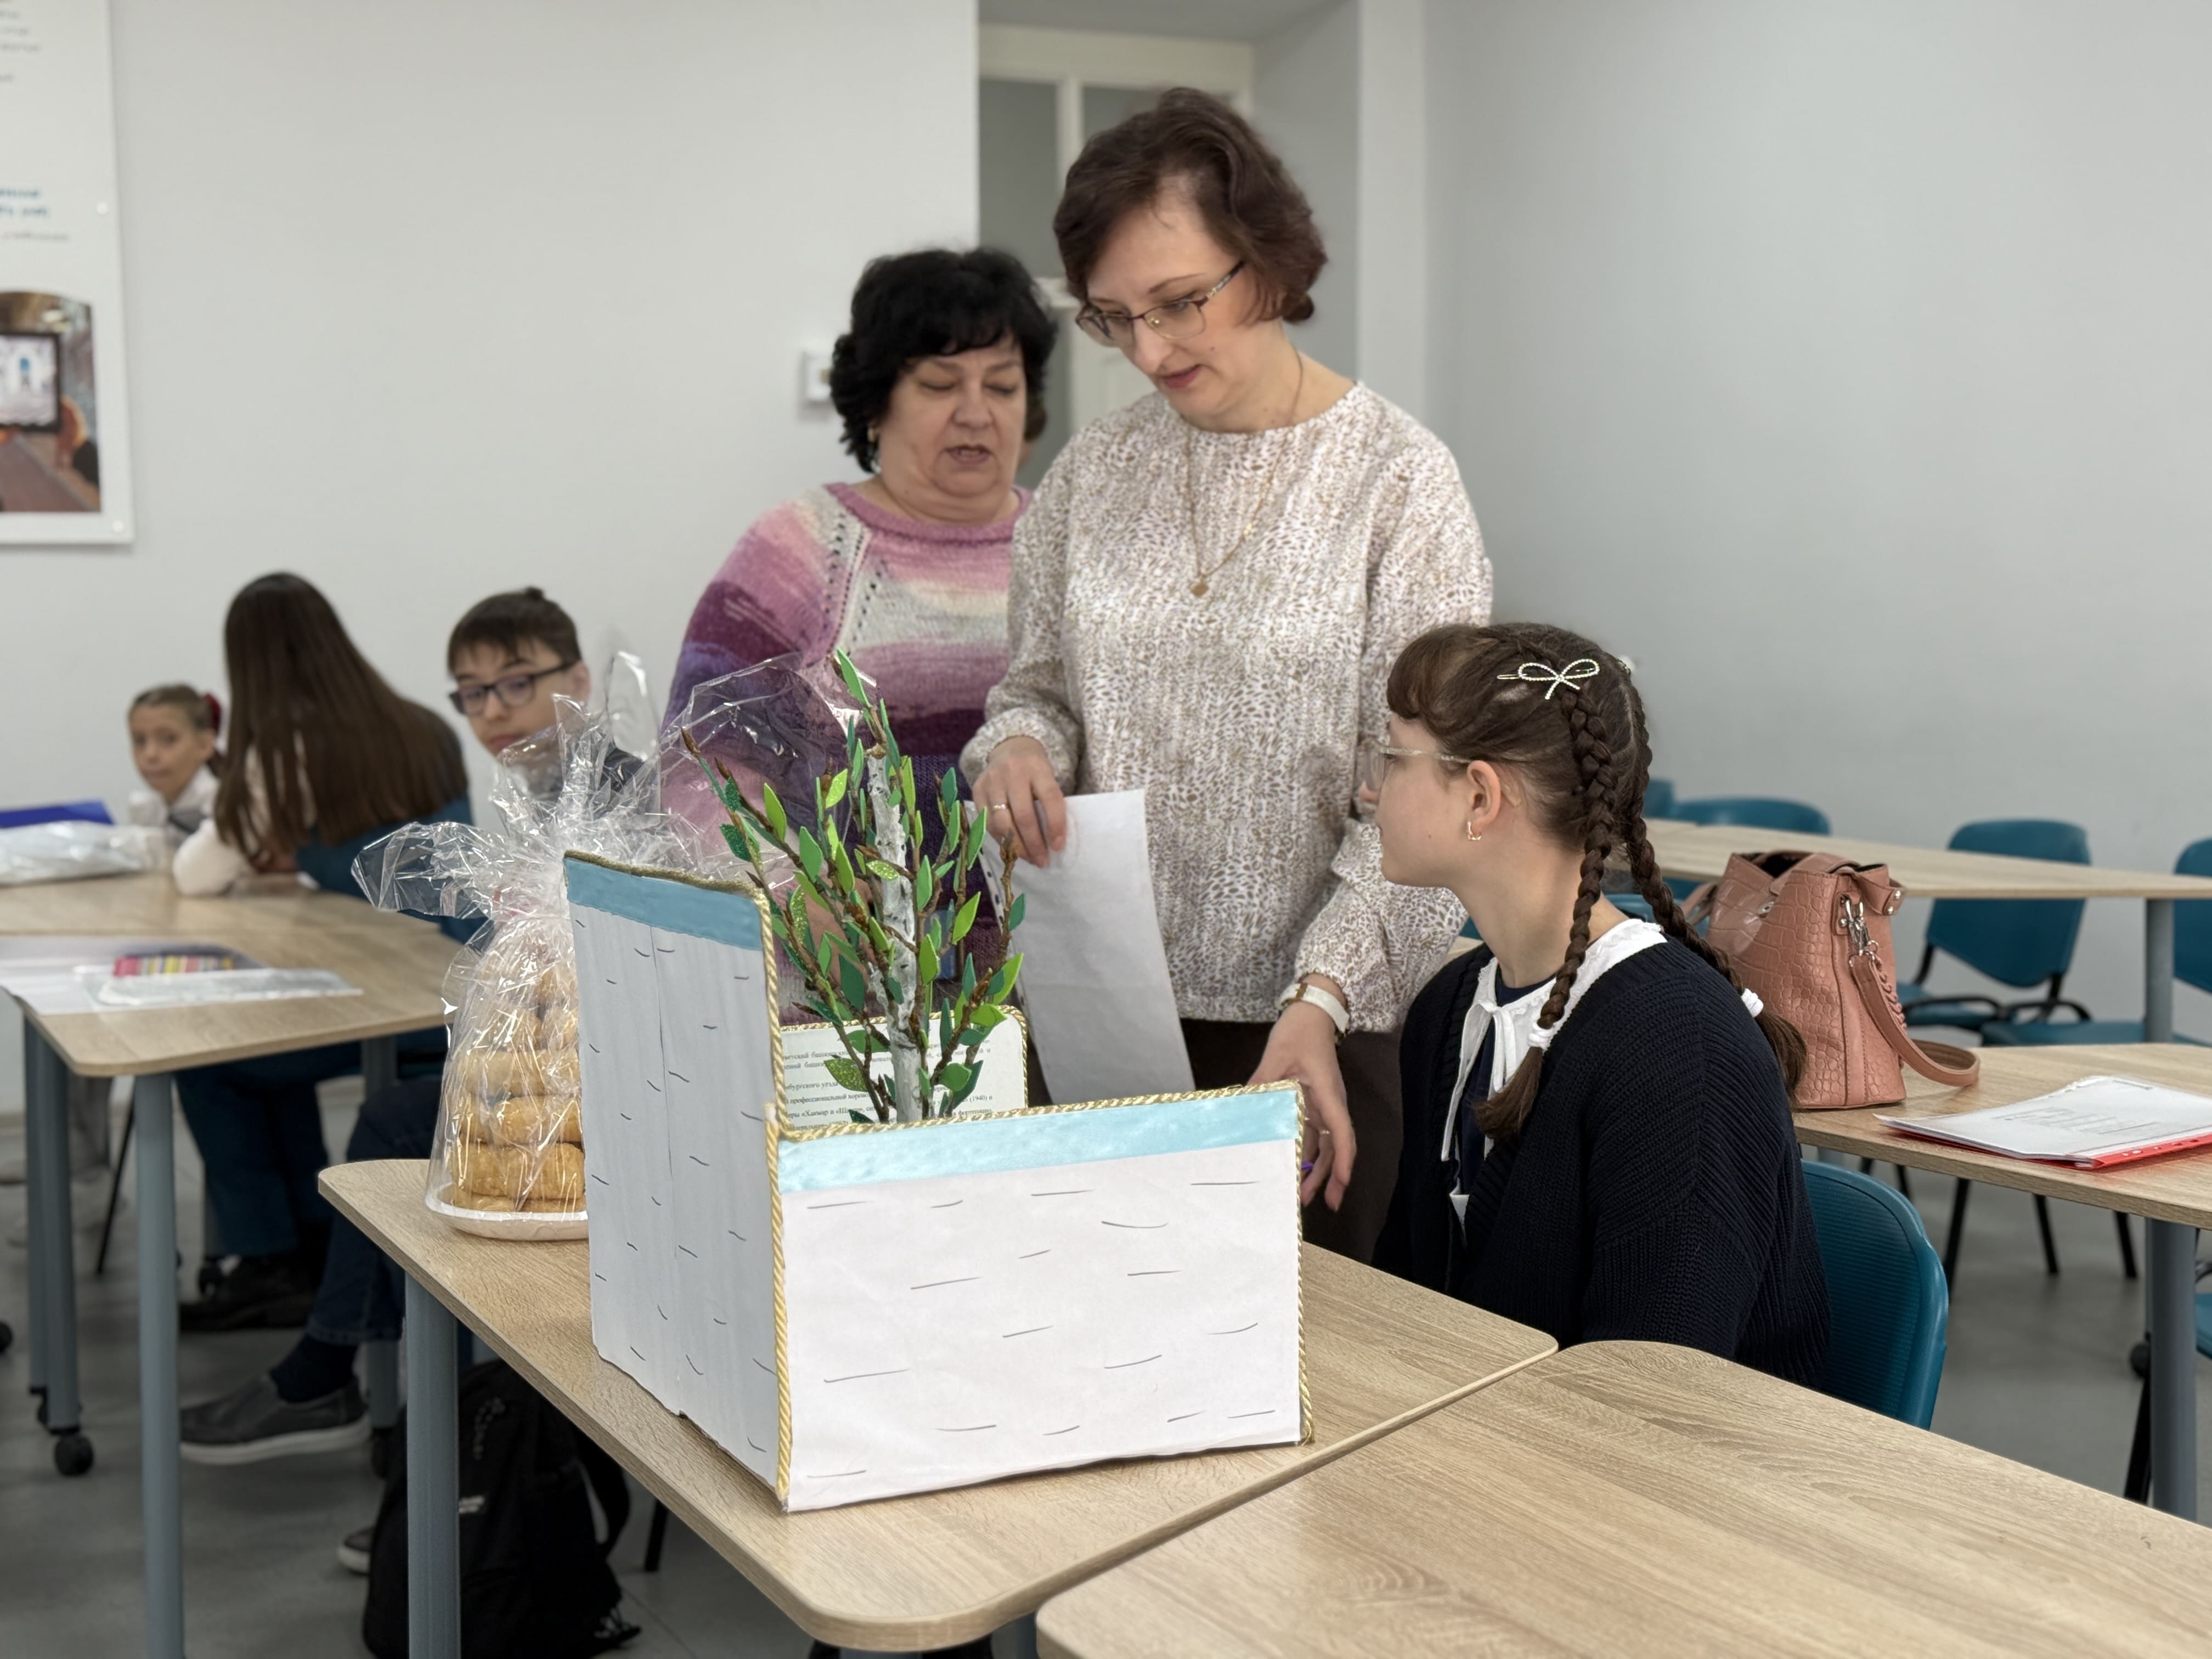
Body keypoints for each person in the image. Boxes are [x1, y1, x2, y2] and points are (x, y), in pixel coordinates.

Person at [964, 89, 1490, 1261]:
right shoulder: (1094, 474)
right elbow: (1035, 692)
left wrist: (1322, 996)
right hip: (1101, 1010)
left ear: (1270, 258)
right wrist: (1018, 747)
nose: (1151, 351)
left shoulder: (1399, 484)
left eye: (1180, 301)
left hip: (1318, 1032)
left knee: (1305, 1357)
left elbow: (1429, 802)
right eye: (1115, 319)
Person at [181, 589, 617, 1466]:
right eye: (474, 693)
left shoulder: (610, 797)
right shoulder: (477, 761)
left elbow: (199, 871)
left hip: (571, 1072)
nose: (492, 710)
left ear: (577, 679)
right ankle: (380, 1386)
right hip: (482, 1015)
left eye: (516, 684)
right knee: (365, 1107)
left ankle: (365, 1381)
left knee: (361, 1114)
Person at [1368, 622, 1829, 1384]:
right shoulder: (1450, 1008)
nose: (1368, 790)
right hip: (1485, 1432)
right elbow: (1409, 1306)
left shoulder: (1680, 1049)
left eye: (1391, 758)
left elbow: (1656, 1389)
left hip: (1659, 1453)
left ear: (1480, 796)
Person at [667, 246, 1054, 830]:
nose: (976, 414)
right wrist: (787, 875)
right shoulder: (801, 548)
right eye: (940, 384)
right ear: (876, 404)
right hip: (837, 890)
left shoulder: (1067, 541)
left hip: (1057, 888)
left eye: (1002, 387)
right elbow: (697, 767)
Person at [173, 573, 470, 1330]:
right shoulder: (423, 727)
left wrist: (281, 842)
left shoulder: (281, 754)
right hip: (460, 985)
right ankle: (304, 1243)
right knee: (264, 1056)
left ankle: (277, 1258)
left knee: (222, 1061)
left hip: (389, 1008)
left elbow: (197, 874)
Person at [123, 683, 221, 842]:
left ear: (204, 745)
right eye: (140, 741)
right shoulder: (147, 810)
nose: (150, 754)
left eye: (168, 739)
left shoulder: (224, 809)